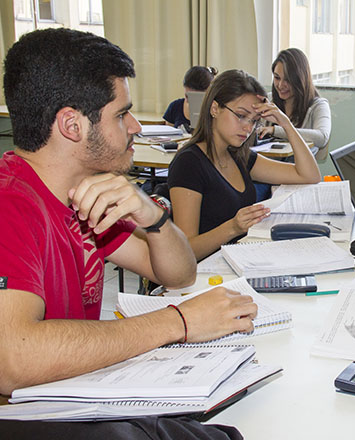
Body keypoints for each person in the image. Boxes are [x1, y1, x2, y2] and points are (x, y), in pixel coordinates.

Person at [0, 28, 255, 438]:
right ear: (72, 125)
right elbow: (11, 360)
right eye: (121, 114)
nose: (136, 126)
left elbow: (178, 274)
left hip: (73, 396)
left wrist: (150, 216)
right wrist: (179, 322)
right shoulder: (10, 204)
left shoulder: (85, 194)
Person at [168, 69, 321, 261]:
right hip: (206, 273)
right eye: (241, 116)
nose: (248, 128)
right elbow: (184, 251)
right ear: (214, 108)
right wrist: (233, 228)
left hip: (239, 261)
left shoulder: (239, 156)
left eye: (254, 121)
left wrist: (286, 124)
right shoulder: (189, 164)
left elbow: (309, 176)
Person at [257, 48, 331, 159]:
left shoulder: (319, 105)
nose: (281, 85)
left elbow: (322, 138)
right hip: (264, 169)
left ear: (300, 79)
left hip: (299, 172)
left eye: (287, 80)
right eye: (277, 78)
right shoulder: (268, 100)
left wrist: (275, 130)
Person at [163, 65, 217, 132]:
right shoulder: (175, 107)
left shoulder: (216, 110)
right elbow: (169, 136)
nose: (189, 101)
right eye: (187, 96)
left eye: (197, 98)